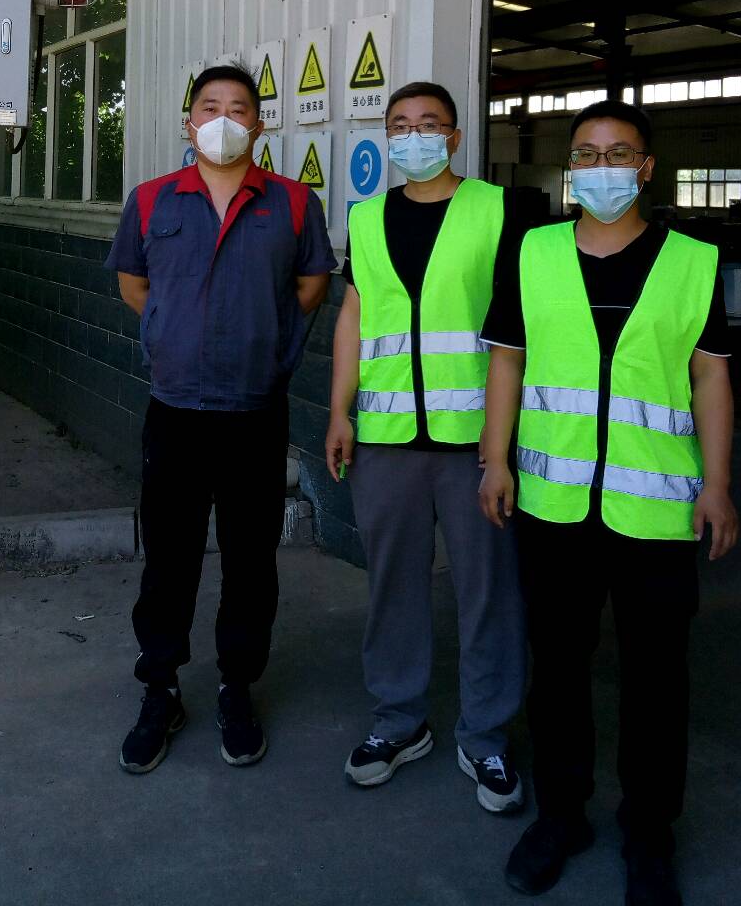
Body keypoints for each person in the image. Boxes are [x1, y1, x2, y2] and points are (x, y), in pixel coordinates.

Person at [479, 101, 738, 906]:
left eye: (619, 153)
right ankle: (562, 816)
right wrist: (495, 460)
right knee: (558, 670)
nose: (602, 167)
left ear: (646, 167)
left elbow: (710, 375)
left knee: (656, 681)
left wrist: (718, 485)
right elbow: (507, 360)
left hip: (655, 511)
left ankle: (649, 832)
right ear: (570, 167)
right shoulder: (533, 251)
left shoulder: (692, 261)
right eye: (587, 154)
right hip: (554, 506)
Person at [106, 63, 336, 775]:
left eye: (239, 108)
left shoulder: (293, 202)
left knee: (250, 560)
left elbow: (312, 282)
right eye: (211, 107)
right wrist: (175, 328)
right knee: (168, 558)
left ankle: (238, 685)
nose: (224, 119)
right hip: (175, 410)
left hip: (253, 413)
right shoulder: (152, 199)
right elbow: (134, 283)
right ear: (190, 121)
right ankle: (161, 688)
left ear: (259, 125)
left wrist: (266, 335)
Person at [325, 81, 535, 813]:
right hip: (386, 438)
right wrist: (340, 410)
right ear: (388, 137)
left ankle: (486, 735)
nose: (414, 135)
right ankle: (398, 720)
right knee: (393, 583)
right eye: (400, 125)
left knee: (488, 590)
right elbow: (354, 314)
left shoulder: (499, 210)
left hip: (476, 440)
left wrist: (502, 445)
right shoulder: (367, 217)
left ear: (454, 136)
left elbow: (517, 328)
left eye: (429, 123)